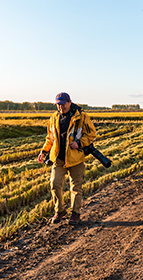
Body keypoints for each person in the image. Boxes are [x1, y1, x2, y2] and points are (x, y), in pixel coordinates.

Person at [38, 92, 96, 225]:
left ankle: (75, 214)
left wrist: (79, 143)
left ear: (69, 102)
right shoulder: (54, 118)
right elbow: (50, 138)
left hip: (75, 158)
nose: (60, 107)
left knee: (75, 187)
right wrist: (44, 151)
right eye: (58, 105)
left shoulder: (81, 117)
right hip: (58, 158)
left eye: (63, 104)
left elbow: (92, 134)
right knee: (54, 184)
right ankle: (60, 210)